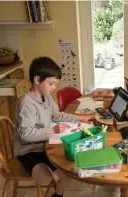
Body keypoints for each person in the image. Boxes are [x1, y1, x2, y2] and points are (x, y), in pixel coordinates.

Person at [14, 56, 93, 197]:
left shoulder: (46, 97)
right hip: (28, 151)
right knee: (48, 173)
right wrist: (51, 131)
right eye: (51, 83)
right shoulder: (27, 104)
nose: (54, 87)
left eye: (55, 84)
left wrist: (81, 118)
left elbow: (58, 115)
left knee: (68, 168)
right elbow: (25, 134)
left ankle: (57, 194)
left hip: (44, 145)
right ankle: (46, 173)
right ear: (37, 80)